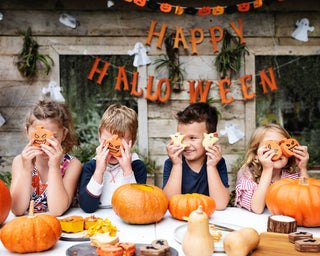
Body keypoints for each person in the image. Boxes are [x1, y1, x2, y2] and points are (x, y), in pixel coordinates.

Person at [10, 100, 82, 217]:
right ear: (27, 133)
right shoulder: (19, 162)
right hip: (28, 227)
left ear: (64, 135)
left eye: (52, 138)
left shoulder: (72, 165)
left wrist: (54, 166)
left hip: (61, 227)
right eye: (38, 138)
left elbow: (57, 210)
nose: (45, 145)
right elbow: (17, 209)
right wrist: (26, 170)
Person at [78, 104, 147, 213]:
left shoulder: (137, 166)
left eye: (119, 145)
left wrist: (127, 171)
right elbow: (87, 207)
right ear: (100, 137)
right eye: (108, 142)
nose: (112, 150)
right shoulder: (91, 167)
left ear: (132, 142)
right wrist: (99, 171)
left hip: (127, 219)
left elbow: (136, 205)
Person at [163, 102, 230, 210]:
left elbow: (220, 205)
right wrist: (177, 165)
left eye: (193, 138)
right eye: (182, 138)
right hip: (179, 218)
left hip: (207, 219)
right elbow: (169, 202)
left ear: (211, 138)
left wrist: (211, 166)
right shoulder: (172, 163)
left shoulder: (218, 163)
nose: (186, 144)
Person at [235, 123, 309, 214]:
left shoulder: (291, 175)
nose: (277, 150)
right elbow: (257, 208)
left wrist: (303, 168)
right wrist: (267, 170)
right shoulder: (247, 174)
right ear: (255, 154)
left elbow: (308, 200)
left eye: (281, 145)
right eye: (270, 145)